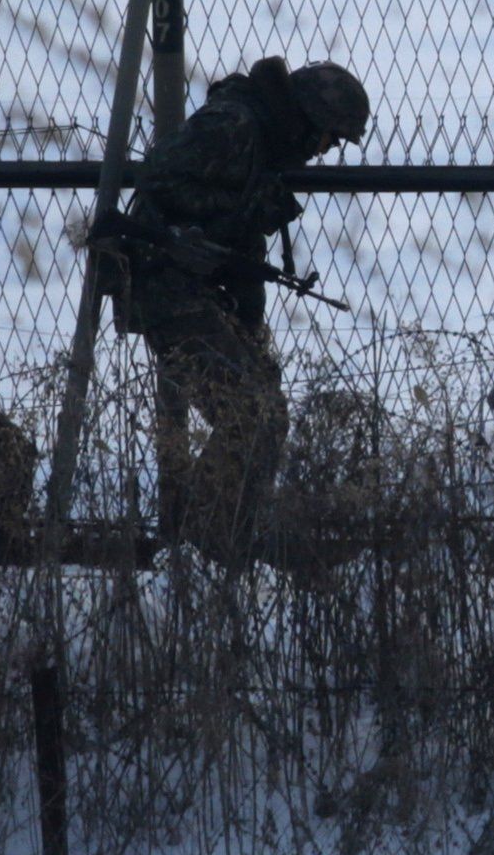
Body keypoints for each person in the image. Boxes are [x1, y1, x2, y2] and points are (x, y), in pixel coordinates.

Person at [109, 56, 370, 562]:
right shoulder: (235, 127)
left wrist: (250, 327)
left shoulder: (265, 141)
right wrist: (218, 223)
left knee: (264, 412)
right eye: (328, 139)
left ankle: (216, 538)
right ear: (309, 122)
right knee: (251, 416)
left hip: (206, 293)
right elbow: (159, 178)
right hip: (170, 290)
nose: (324, 152)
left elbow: (242, 240)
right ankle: (204, 546)